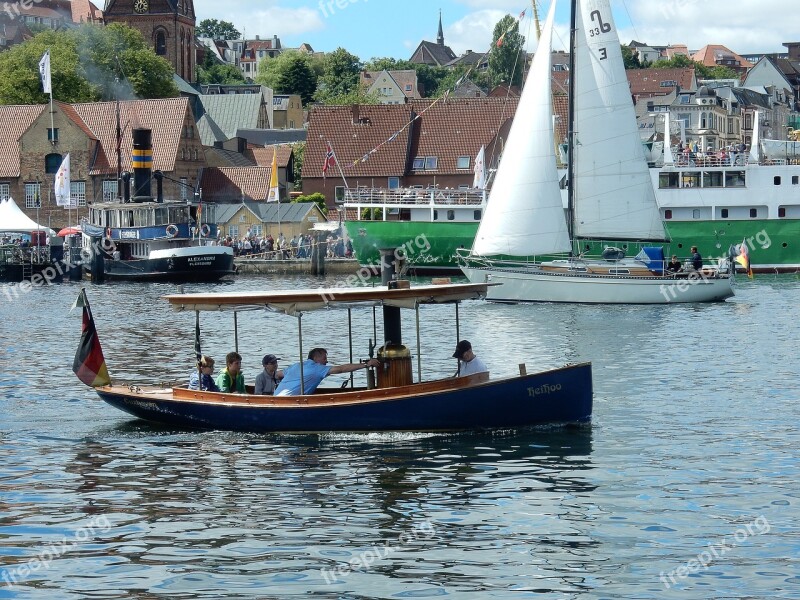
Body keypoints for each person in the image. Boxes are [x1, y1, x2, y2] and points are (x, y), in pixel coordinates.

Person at [274, 348, 380, 396]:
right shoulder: (317, 368)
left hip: (276, 398)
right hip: (290, 402)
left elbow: (277, 374)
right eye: (324, 358)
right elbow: (341, 369)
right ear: (316, 358)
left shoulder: (296, 366)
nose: (326, 361)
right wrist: (366, 364)